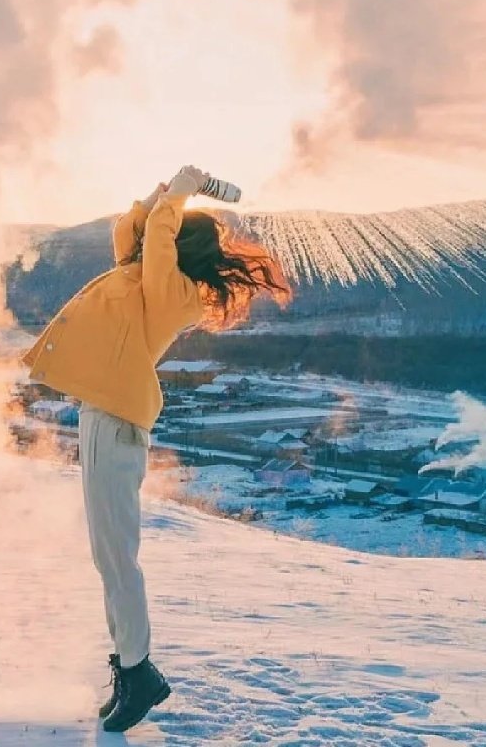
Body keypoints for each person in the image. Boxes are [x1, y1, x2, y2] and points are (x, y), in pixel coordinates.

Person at [20, 165, 292, 733]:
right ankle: (127, 668)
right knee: (108, 557)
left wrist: (183, 194)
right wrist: (164, 191)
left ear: (175, 249)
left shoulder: (174, 295)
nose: (143, 245)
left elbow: (156, 238)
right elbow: (131, 229)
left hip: (117, 421)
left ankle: (140, 673)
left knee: (118, 557)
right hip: (102, 416)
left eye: (159, 242)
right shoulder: (143, 277)